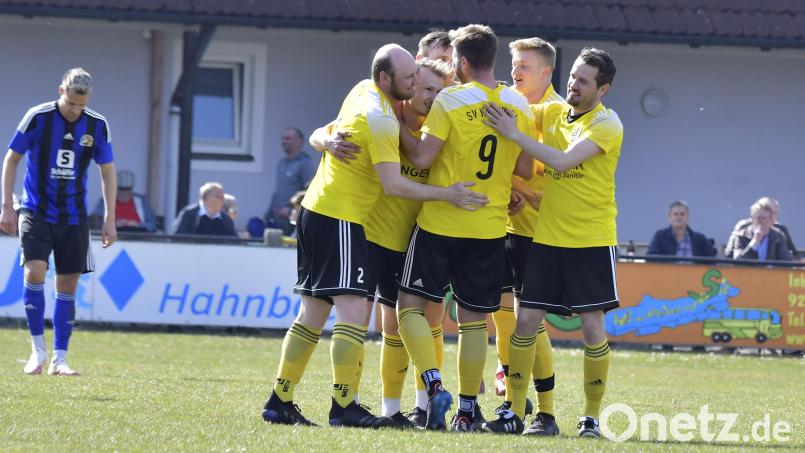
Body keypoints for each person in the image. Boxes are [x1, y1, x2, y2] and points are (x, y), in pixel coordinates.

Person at [261, 44, 487, 429]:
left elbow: (325, 129)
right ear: (386, 79)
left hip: (317, 210)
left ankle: (280, 400)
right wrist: (447, 194)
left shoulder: (361, 89)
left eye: (422, 79)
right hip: (342, 218)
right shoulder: (384, 119)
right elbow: (394, 182)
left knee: (313, 313)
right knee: (354, 312)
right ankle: (345, 406)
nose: (418, 85)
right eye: (411, 79)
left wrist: (325, 141)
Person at [396, 24, 537, 432]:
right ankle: (468, 410)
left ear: (460, 62)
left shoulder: (450, 101)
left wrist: (397, 128)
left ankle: (433, 383)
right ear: (493, 59)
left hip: (441, 222)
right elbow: (525, 168)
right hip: (489, 228)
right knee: (476, 321)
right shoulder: (518, 104)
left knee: (409, 308)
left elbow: (422, 158)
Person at [481, 47, 622, 438]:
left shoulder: (608, 125)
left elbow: (561, 162)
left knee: (592, 328)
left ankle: (591, 418)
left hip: (591, 241)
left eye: (584, 81)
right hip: (547, 240)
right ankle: (516, 411)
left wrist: (512, 133)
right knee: (524, 322)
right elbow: (518, 106)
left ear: (603, 88)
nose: (574, 85)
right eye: (573, 77)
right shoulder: (555, 112)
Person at [0, 67, 117, 376]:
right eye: (71, 103)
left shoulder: (97, 124)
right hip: (35, 211)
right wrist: (6, 206)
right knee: (35, 271)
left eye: (81, 104)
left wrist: (110, 217)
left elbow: (107, 171)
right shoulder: (38, 118)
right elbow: (11, 159)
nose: (76, 110)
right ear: (60, 91)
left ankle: (59, 358)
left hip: (74, 217)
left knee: (68, 283)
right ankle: (37, 350)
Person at [490, 36, 564, 437]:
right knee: (509, 318)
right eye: (514, 63)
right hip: (505, 226)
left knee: (529, 323)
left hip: (537, 232)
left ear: (547, 72)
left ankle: (545, 413)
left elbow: (552, 167)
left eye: (525, 66)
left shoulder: (554, 112)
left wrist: (522, 190)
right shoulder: (513, 103)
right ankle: (513, 405)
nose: (515, 71)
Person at [266, 128, 317, 235]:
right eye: (283, 138)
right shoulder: (282, 163)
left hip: (292, 220)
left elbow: (310, 190)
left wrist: (290, 210)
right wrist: (268, 213)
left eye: (288, 138)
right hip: (277, 219)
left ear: (300, 142)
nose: (284, 141)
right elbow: (278, 191)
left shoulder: (305, 164)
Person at [729, 197, 799, 261]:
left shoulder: (778, 236)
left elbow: (786, 261)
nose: (762, 222)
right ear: (752, 219)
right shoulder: (742, 235)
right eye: (759, 218)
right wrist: (754, 243)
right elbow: (738, 260)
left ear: (770, 219)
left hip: (771, 274)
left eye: (765, 218)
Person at [91, 169, 157, 232]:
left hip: (139, 239)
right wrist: (113, 225)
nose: (124, 192)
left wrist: (137, 225)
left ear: (132, 188)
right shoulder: (105, 201)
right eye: (121, 189)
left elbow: (152, 225)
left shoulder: (142, 201)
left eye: (127, 189)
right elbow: (96, 223)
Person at [647, 200, 716, 257]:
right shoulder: (659, 236)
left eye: (682, 214)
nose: (679, 217)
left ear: (687, 217)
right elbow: (650, 259)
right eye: (675, 214)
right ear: (669, 217)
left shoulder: (700, 239)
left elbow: (713, 262)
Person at [172, 182, 237, 237]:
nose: (222, 200)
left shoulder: (226, 219)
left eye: (222, 197)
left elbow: (235, 240)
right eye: (217, 197)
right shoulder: (189, 215)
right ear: (204, 198)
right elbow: (178, 237)